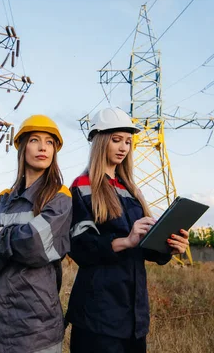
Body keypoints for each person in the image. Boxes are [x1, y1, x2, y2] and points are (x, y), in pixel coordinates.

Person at [66, 107, 190, 353]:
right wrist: (126, 241)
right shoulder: (82, 187)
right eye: (116, 140)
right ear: (100, 141)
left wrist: (169, 246)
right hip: (97, 315)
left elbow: (146, 247)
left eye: (128, 141)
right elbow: (79, 248)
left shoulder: (132, 191)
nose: (123, 147)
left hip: (133, 317)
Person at [0, 114, 73, 353]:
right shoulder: (3, 199)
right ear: (22, 147)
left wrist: (2, 233)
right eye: (35, 140)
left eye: (49, 142)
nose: (43, 148)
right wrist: (16, 239)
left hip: (38, 321)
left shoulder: (59, 196)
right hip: (0, 321)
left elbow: (35, 245)